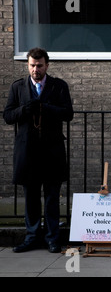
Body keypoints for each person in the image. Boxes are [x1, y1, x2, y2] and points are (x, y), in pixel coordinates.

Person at [3, 47, 73, 253]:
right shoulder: (18, 87)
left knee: (52, 196)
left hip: (52, 151)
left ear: (47, 65)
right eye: (32, 65)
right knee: (31, 197)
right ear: (28, 65)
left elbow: (68, 113)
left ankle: (52, 238)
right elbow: (7, 115)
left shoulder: (58, 86)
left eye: (39, 66)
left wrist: (47, 108)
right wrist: (24, 110)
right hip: (28, 152)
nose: (36, 69)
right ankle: (32, 237)